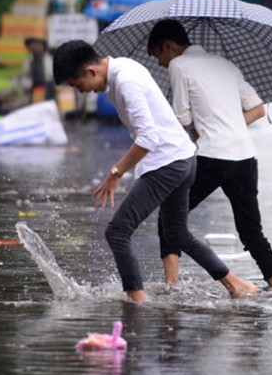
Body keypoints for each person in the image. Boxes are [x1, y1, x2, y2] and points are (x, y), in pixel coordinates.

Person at [52, 40, 257, 303]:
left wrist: (114, 174)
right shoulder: (122, 68)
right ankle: (235, 284)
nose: (82, 92)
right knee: (178, 234)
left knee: (117, 231)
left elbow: (147, 138)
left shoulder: (125, 82)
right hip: (182, 158)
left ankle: (137, 301)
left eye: (77, 85)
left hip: (168, 163)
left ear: (91, 71)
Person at [145, 19, 272, 290]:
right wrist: (228, 125)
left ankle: (171, 288)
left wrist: (202, 133)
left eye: (158, 55)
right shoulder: (227, 65)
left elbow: (182, 115)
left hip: (211, 157)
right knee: (251, 231)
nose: (160, 63)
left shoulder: (178, 65)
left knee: (170, 216)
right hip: (244, 156)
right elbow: (257, 109)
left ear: (168, 46)